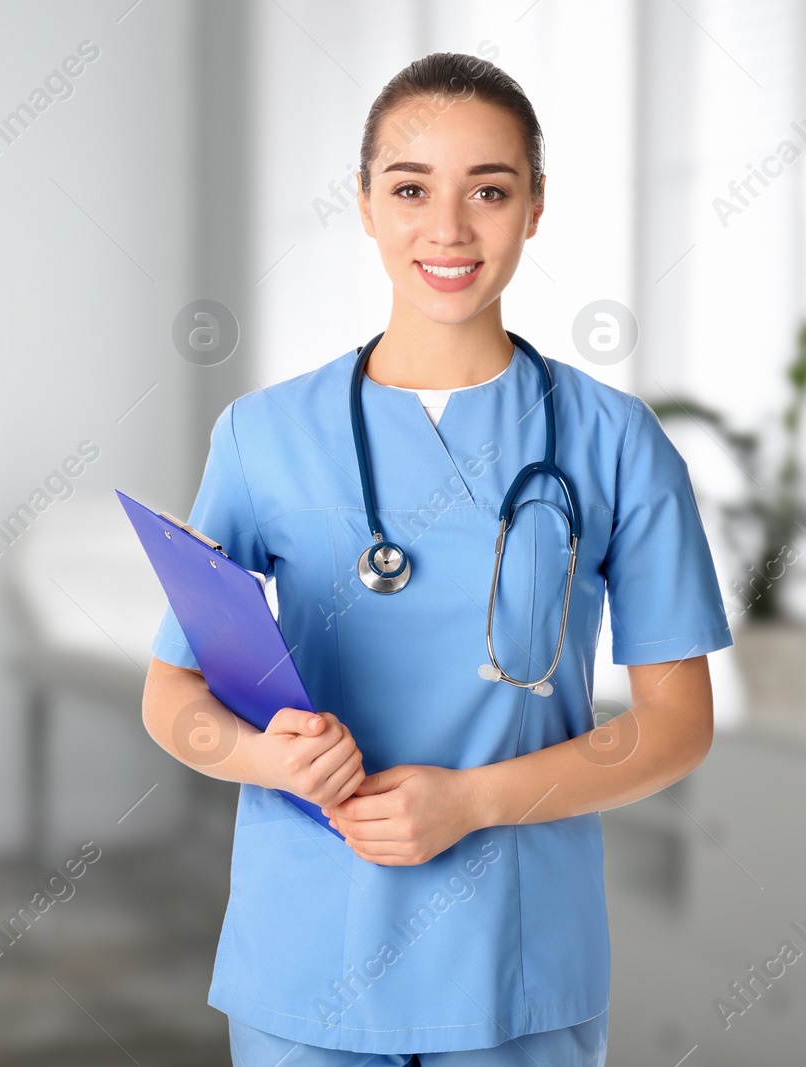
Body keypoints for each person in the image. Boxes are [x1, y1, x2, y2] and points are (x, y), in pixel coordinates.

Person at [141, 52, 732, 1067]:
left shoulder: (615, 440)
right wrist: (261, 756)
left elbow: (675, 727)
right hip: (305, 950)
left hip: (514, 956)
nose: (447, 229)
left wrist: (469, 799)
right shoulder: (261, 434)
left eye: (488, 191)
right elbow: (173, 694)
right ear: (364, 204)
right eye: (410, 188)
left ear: (535, 208)